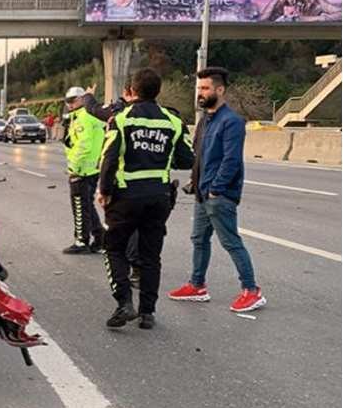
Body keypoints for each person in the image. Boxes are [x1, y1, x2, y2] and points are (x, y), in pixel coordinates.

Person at [97, 67, 194, 329]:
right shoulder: (173, 122)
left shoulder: (121, 119)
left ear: (133, 91)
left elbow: (108, 158)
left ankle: (124, 302)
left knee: (114, 248)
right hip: (159, 197)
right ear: (158, 91)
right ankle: (147, 313)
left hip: (125, 197)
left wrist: (104, 191)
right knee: (151, 256)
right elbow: (187, 160)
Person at [168, 67, 267, 313]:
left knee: (231, 242)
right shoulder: (204, 121)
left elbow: (231, 160)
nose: (200, 94)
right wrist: (195, 182)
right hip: (202, 193)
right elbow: (198, 156)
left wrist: (216, 189)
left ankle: (252, 291)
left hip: (219, 195)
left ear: (219, 90)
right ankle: (197, 285)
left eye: (205, 89)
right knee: (199, 239)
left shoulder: (231, 122)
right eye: (198, 89)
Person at [61, 86, 107, 254]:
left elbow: (84, 144)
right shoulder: (91, 115)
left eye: (73, 100)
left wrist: (74, 166)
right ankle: (99, 237)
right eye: (68, 101)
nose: (70, 104)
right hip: (92, 167)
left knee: (80, 206)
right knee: (87, 205)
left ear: (82, 99)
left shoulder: (83, 117)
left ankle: (82, 241)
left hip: (82, 169)